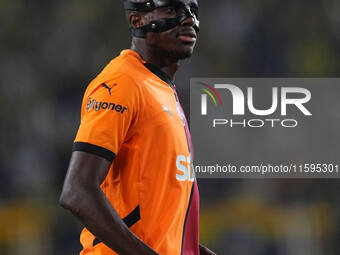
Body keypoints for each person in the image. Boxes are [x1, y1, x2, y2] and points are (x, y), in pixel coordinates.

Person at [59, 0, 215, 254]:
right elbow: (77, 191)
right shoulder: (122, 82)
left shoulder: (161, 89)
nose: (189, 20)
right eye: (173, 9)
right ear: (137, 19)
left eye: (193, 11)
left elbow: (160, 224)